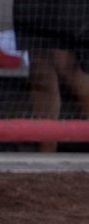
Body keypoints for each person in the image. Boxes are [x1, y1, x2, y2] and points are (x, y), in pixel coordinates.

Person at [13, 0, 89, 152]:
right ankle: (46, 152)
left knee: (66, 64)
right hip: (33, 7)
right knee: (39, 67)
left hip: (67, 8)